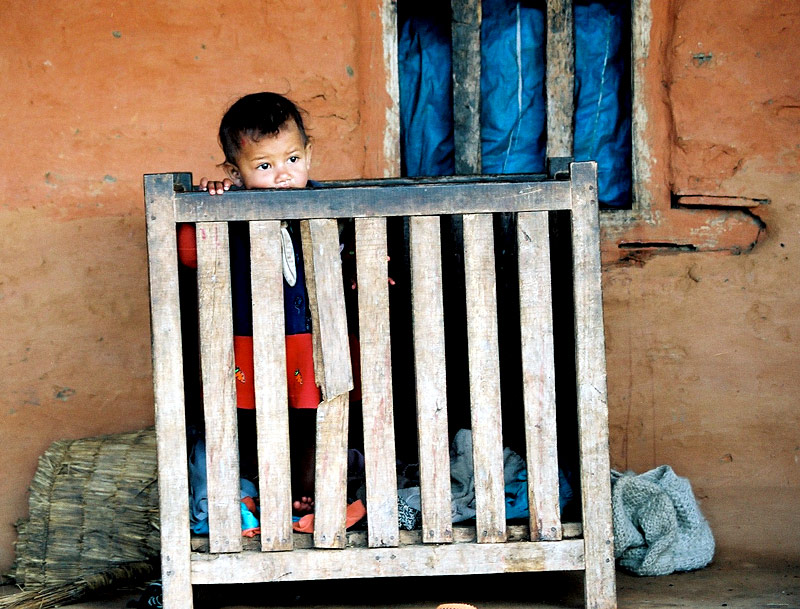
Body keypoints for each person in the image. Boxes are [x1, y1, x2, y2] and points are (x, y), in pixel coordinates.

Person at [180, 92, 325, 515]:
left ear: (308, 154)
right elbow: (189, 255)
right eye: (264, 166)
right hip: (248, 339)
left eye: (292, 159)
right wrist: (207, 205)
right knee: (248, 417)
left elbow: (348, 252)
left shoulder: (326, 204)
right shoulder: (232, 208)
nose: (283, 175)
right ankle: (257, 488)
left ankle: (306, 487)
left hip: (308, 337)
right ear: (235, 173)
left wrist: (364, 268)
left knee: (309, 415)